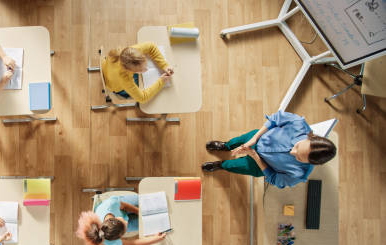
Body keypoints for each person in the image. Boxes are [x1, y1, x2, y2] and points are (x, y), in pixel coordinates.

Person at [202, 111, 337, 188]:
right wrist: (254, 138)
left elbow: (273, 178)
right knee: (237, 141)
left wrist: (255, 157)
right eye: (297, 147)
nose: (292, 152)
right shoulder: (298, 124)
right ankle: (226, 146)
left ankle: (221, 165)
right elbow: (275, 119)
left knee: (234, 166)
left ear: (310, 163)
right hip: (259, 138)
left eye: (299, 158)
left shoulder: (298, 175)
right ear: (310, 137)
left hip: (259, 166)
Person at [76, 193, 166, 245]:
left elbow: (125, 206)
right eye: (124, 231)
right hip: (119, 215)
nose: (127, 222)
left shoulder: (111, 205)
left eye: (124, 222)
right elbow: (131, 244)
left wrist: (139, 211)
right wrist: (155, 239)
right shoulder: (108, 241)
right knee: (149, 225)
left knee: (148, 201)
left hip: (123, 206)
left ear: (114, 218)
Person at [102, 42, 174, 103]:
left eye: (145, 64)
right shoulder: (125, 79)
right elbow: (142, 98)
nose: (146, 69)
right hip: (113, 85)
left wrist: (164, 66)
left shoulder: (130, 53)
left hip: (106, 66)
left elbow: (151, 47)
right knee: (138, 88)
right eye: (141, 70)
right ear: (129, 70)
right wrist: (161, 81)